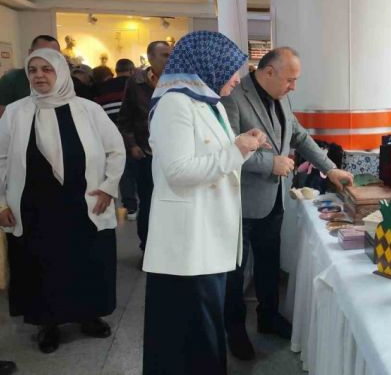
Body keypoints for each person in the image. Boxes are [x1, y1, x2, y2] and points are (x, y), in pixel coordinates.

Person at [142, 31, 269, 375]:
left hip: (210, 235)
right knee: (190, 335)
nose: (238, 78)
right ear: (207, 65)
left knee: (205, 330)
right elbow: (180, 171)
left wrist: (243, 144)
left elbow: (218, 159)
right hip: (188, 243)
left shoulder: (208, 104)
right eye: (232, 69)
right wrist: (237, 149)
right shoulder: (174, 105)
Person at [221, 47, 353, 360]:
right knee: (235, 272)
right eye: (290, 79)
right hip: (242, 201)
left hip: (274, 200)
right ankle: (235, 329)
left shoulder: (281, 96)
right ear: (268, 72)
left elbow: (299, 136)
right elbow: (225, 153)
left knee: (268, 262)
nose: (294, 86)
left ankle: (268, 316)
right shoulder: (233, 98)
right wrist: (270, 164)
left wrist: (329, 167)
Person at [0, 49, 125, 353]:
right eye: (33, 70)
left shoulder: (88, 110)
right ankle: (48, 323)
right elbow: (1, 159)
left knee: (88, 262)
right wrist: (2, 203)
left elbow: (115, 150)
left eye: (47, 69)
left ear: (61, 72)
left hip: (84, 203)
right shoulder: (15, 112)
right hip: (34, 207)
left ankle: (89, 316)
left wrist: (109, 188)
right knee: (41, 265)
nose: (39, 75)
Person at [117, 41, 171, 250]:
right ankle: (147, 247)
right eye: (164, 55)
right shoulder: (136, 82)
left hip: (171, 154)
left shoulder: (176, 81)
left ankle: (167, 247)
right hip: (146, 153)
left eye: (170, 55)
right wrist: (132, 145)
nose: (169, 59)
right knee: (148, 202)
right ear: (150, 58)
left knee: (169, 203)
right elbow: (125, 118)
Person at [95, 58, 137, 218]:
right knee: (142, 173)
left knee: (123, 171)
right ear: (132, 70)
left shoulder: (102, 88)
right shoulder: (135, 85)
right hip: (135, 135)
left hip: (110, 135)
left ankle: (131, 206)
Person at [0, 35, 61, 117]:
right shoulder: (11, 79)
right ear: (30, 53)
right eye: (42, 53)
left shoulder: (63, 79)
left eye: (53, 54)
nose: (47, 57)